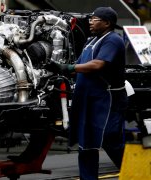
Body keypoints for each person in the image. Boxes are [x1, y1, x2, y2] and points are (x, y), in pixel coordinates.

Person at [47, 7, 127, 180]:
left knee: (109, 137)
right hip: (87, 99)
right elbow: (80, 65)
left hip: (106, 98)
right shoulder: (91, 40)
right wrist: (55, 68)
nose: (90, 21)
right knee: (87, 142)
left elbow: (97, 65)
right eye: (90, 18)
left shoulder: (113, 40)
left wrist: (69, 68)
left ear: (107, 23)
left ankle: (135, 171)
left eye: (95, 19)